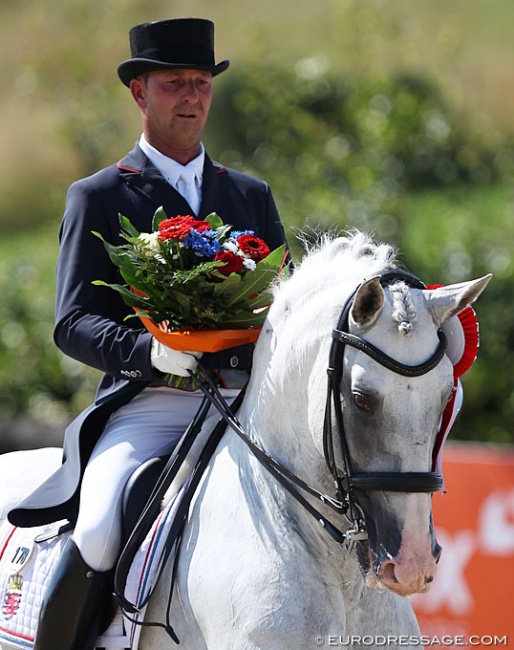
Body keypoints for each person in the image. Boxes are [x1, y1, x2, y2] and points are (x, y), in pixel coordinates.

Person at [8, 17, 289, 650]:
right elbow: (72, 322)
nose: (191, 98)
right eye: (173, 85)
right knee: (102, 525)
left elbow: (283, 308)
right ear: (139, 93)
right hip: (152, 403)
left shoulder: (250, 196)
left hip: (247, 405)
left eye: (200, 84)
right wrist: (151, 352)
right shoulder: (100, 196)